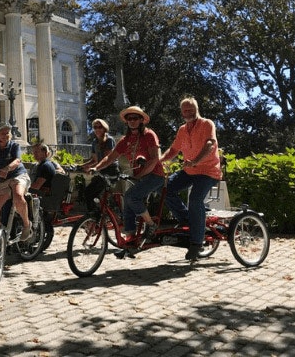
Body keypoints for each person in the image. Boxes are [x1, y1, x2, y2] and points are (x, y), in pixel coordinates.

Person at [159, 97, 222, 261]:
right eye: (185, 110)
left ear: (197, 109)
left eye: (190, 109)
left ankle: (196, 242)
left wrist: (196, 161)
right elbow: (173, 150)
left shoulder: (207, 124)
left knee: (195, 199)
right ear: (181, 112)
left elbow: (210, 144)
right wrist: (158, 161)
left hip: (208, 171)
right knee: (167, 190)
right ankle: (187, 220)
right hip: (189, 171)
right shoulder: (182, 130)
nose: (188, 112)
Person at [92, 106, 164, 241]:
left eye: (135, 118)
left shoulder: (149, 134)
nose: (132, 121)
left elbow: (155, 159)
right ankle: (130, 236)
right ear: (126, 121)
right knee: (128, 201)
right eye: (129, 118)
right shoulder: (125, 140)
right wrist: (96, 168)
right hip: (138, 177)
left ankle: (151, 225)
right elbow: (110, 157)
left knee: (131, 197)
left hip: (154, 175)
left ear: (142, 120)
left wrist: (139, 175)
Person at [80, 119, 119, 211]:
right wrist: (81, 165)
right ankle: (95, 215)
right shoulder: (94, 142)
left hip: (110, 171)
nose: (97, 129)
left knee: (90, 192)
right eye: (95, 127)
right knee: (88, 192)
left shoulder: (109, 140)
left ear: (104, 128)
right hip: (101, 171)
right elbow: (94, 159)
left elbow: (107, 159)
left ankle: (96, 215)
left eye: (100, 127)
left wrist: (94, 168)